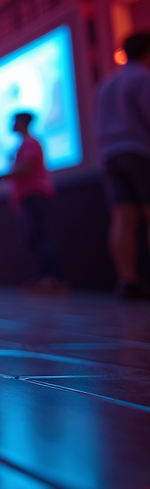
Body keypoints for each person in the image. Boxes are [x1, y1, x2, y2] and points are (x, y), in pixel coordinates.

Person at [95, 32, 150, 299]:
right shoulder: (142, 78)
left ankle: (126, 280)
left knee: (122, 218)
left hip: (110, 156)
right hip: (139, 152)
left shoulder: (107, 83)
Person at [0, 112, 67, 294]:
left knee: (39, 236)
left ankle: (51, 277)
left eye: (14, 121)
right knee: (35, 237)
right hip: (29, 197)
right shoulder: (24, 144)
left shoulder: (29, 142)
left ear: (21, 122)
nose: (11, 124)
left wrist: (3, 175)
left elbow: (26, 168)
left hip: (34, 195)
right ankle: (46, 276)